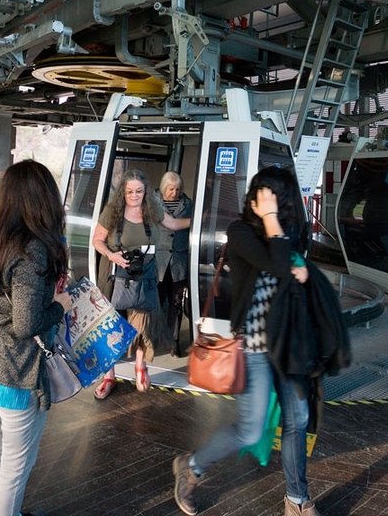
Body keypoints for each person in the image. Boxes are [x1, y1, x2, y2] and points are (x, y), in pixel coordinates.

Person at [171, 166, 320, 516]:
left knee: (297, 420)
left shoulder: (285, 232)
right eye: (271, 201)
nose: (278, 209)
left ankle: (297, 500)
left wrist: (302, 269)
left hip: (287, 344)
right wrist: (271, 221)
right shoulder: (239, 232)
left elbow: (291, 269)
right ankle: (190, 467)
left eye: (281, 204)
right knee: (250, 430)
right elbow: (279, 266)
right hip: (253, 346)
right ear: (256, 199)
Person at [0, 160, 73, 516]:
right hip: (17, 370)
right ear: (44, 199)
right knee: (17, 464)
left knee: (3, 447)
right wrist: (59, 305)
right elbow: (27, 324)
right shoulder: (33, 249)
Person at [91, 169, 190, 398]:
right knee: (111, 325)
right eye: (129, 192)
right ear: (123, 192)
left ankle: (139, 365)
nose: (134, 195)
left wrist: (205, 222)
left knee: (142, 323)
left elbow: (173, 224)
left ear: (145, 191)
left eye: (139, 191)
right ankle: (109, 376)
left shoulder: (152, 208)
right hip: (115, 272)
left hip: (144, 272)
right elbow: (97, 239)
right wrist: (111, 255)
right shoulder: (111, 212)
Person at [156, 171, 194, 357]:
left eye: (178, 189)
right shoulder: (153, 202)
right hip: (158, 261)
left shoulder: (189, 204)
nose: (175, 192)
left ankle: (173, 342)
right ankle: (151, 339)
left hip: (179, 262)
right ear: (164, 188)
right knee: (155, 302)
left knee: (176, 303)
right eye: (171, 189)